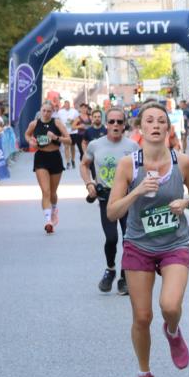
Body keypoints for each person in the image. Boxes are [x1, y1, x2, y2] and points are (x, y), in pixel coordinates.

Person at [106, 101, 189, 377]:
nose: (156, 125)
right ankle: (144, 374)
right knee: (142, 317)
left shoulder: (182, 162)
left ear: (168, 128)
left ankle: (173, 332)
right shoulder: (128, 164)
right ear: (139, 129)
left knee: (170, 306)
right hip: (139, 245)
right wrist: (136, 190)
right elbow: (112, 212)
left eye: (161, 120)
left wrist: (186, 202)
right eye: (149, 121)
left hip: (174, 242)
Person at [81, 107, 136, 295]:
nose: (115, 125)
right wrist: (89, 184)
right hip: (106, 197)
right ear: (106, 124)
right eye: (111, 121)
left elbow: (141, 170)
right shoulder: (95, 145)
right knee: (112, 238)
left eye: (119, 122)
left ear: (124, 124)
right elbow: (84, 165)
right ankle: (110, 269)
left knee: (128, 238)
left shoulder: (133, 146)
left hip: (126, 198)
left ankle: (124, 277)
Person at [25, 100, 72, 234]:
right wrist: (30, 141)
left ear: (53, 112)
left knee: (52, 192)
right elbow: (27, 134)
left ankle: (54, 209)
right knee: (45, 191)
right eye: (43, 110)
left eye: (49, 111)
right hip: (41, 158)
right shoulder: (34, 124)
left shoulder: (56, 123)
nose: (45, 113)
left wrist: (56, 137)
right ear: (40, 111)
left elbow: (68, 140)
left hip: (55, 157)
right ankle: (48, 221)